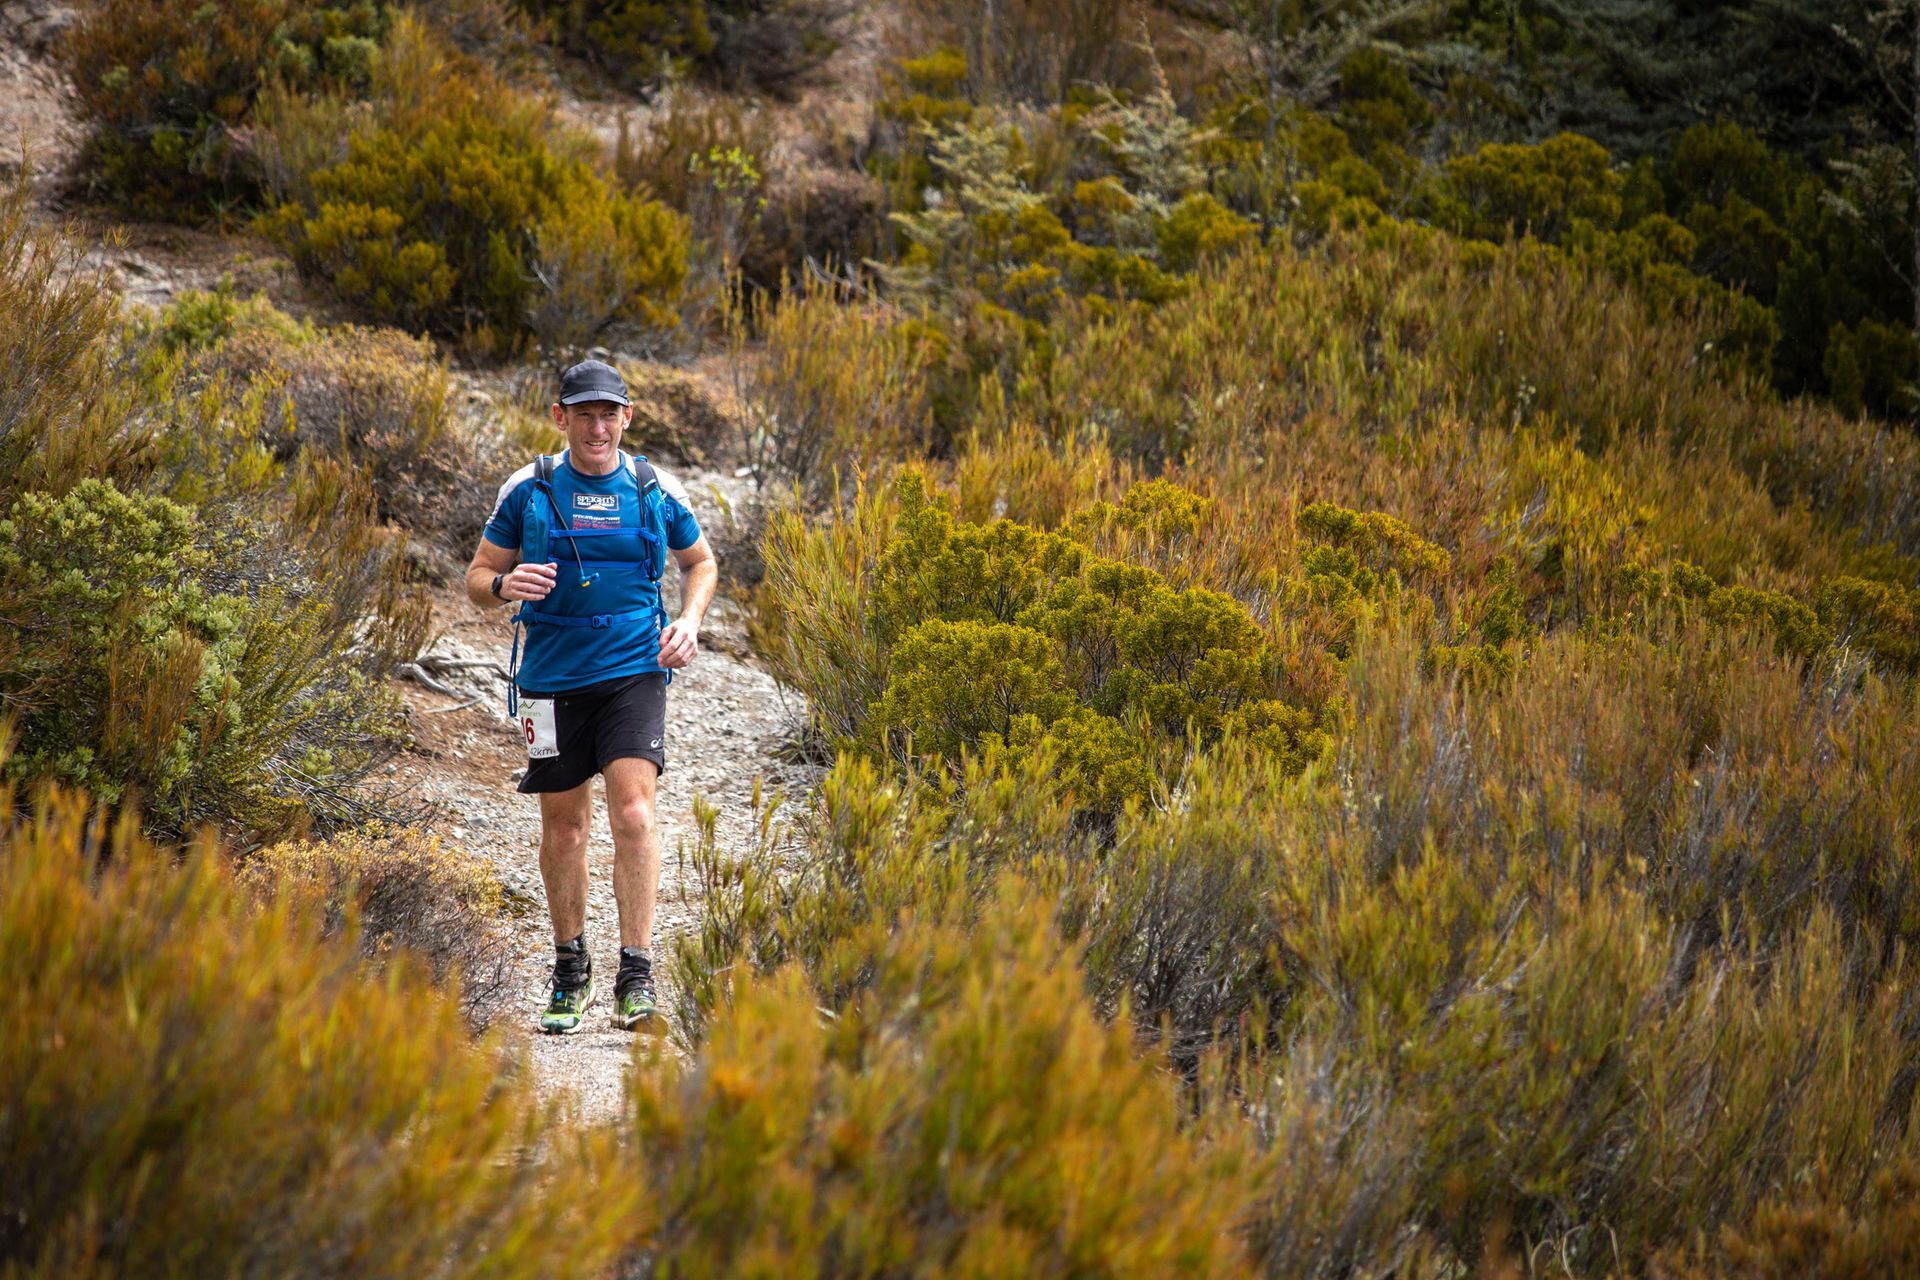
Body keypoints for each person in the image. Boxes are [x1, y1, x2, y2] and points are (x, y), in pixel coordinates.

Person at [465, 358, 717, 1033]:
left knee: (633, 814)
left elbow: (701, 562)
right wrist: (501, 587)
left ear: (627, 418)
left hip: (634, 670)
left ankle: (636, 974)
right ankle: (569, 970)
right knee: (566, 828)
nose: (598, 426)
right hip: (550, 680)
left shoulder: (653, 489)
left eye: (610, 413)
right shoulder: (530, 489)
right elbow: (478, 573)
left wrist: (688, 623)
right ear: (561, 418)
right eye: (584, 414)